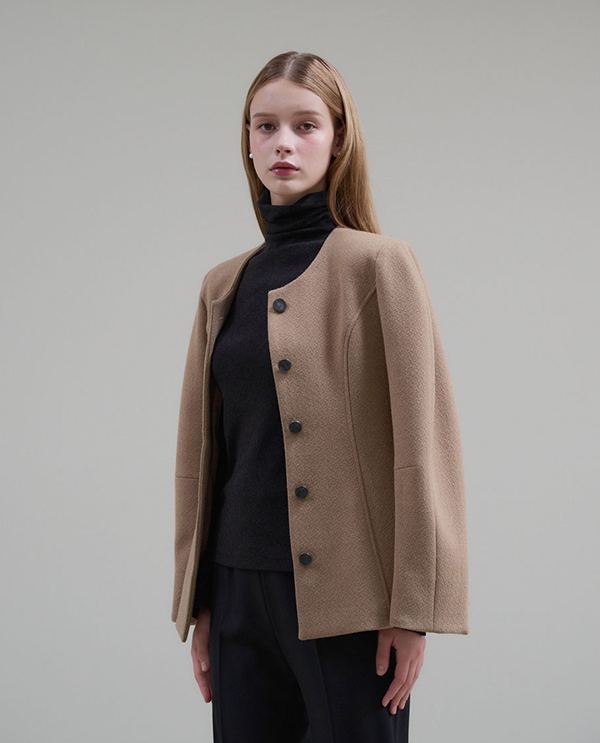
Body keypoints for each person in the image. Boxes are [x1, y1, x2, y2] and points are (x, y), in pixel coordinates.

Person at [172, 51, 469, 743]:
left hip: (351, 600)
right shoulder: (222, 285)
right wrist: (202, 600)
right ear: (248, 142)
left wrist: (412, 608)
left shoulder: (380, 265)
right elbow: (204, 454)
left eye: (305, 125)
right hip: (237, 590)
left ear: (338, 139)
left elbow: (422, 445)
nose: (283, 142)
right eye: (265, 126)